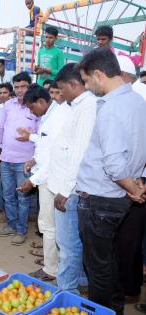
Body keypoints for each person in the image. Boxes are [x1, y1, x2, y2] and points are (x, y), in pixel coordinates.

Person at [77, 48, 146, 314]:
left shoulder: (111, 108)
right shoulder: (138, 103)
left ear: (98, 74)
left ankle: (102, 310)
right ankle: (114, 309)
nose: (86, 86)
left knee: (98, 269)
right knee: (110, 261)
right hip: (120, 199)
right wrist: (139, 186)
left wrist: (134, 190)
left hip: (100, 199)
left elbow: (115, 165)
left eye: (86, 80)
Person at [48, 62, 96, 294]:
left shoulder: (87, 107)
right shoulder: (77, 105)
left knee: (67, 245)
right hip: (66, 185)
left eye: (61, 89)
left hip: (71, 190)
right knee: (73, 243)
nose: (59, 94)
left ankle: (66, 290)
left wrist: (66, 190)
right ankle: (80, 280)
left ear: (74, 84)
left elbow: (79, 152)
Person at [16, 84, 70, 281]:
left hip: (52, 178)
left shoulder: (58, 117)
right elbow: (46, 143)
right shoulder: (51, 113)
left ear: (41, 101)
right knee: (50, 226)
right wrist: (33, 151)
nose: (32, 112)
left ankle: (50, 269)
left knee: (48, 226)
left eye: (32, 108)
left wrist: (32, 180)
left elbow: (54, 158)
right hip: (48, 175)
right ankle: (52, 262)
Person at [0, 72, 39, 245]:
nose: (20, 90)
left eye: (23, 86)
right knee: (8, 195)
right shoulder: (7, 106)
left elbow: (41, 135)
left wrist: (35, 159)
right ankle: (11, 224)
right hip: (6, 159)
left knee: (23, 197)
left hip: (25, 161)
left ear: (30, 86)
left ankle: (21, 230)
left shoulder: (35, 107)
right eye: (17, 87)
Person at [115, 55, 146, 303]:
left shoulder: (134, 99)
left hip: (136, 182)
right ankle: (129, 289)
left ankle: (129, 290)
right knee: (128, 240)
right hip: (132, 180)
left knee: (129, 240)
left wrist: (139, 182)